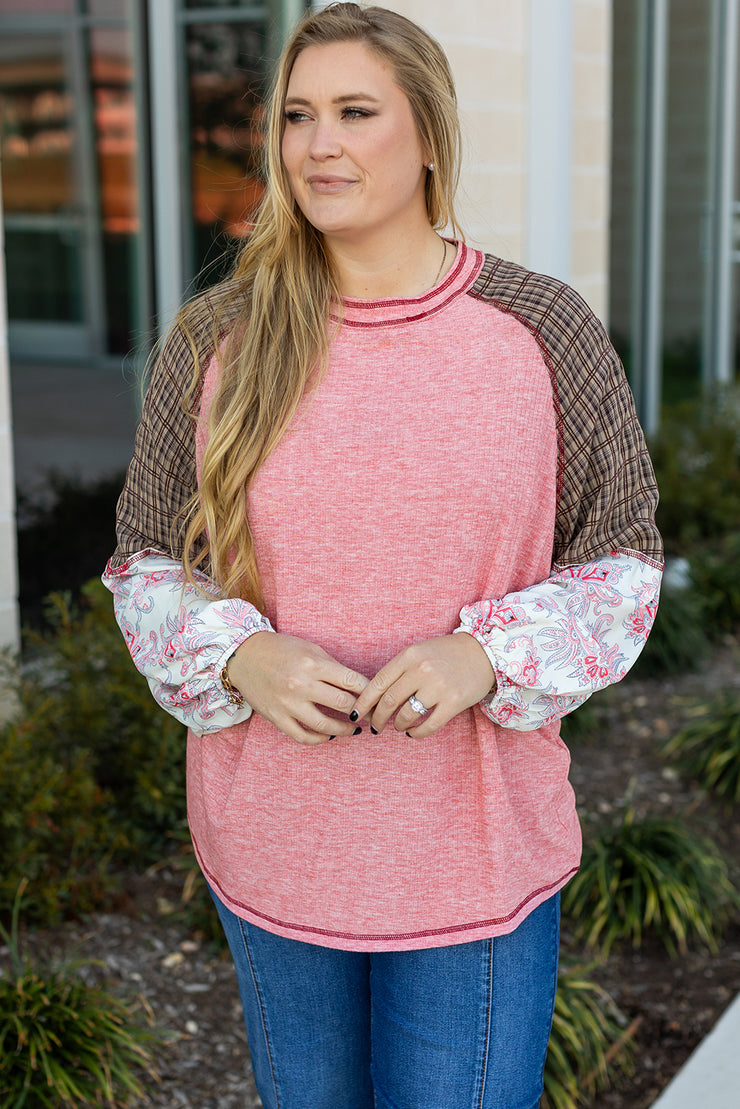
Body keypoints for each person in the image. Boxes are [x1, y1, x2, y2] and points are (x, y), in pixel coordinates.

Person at [103, 4, 663, 1107]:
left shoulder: (541, 328)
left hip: (474, 857)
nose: (319, 145)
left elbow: (625, 562)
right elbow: (144, 560)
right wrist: (241, 655)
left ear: (429, 136)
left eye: (356, 111)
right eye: (297, 115)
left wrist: (483, 657)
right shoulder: (217, 335)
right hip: (277, 844)